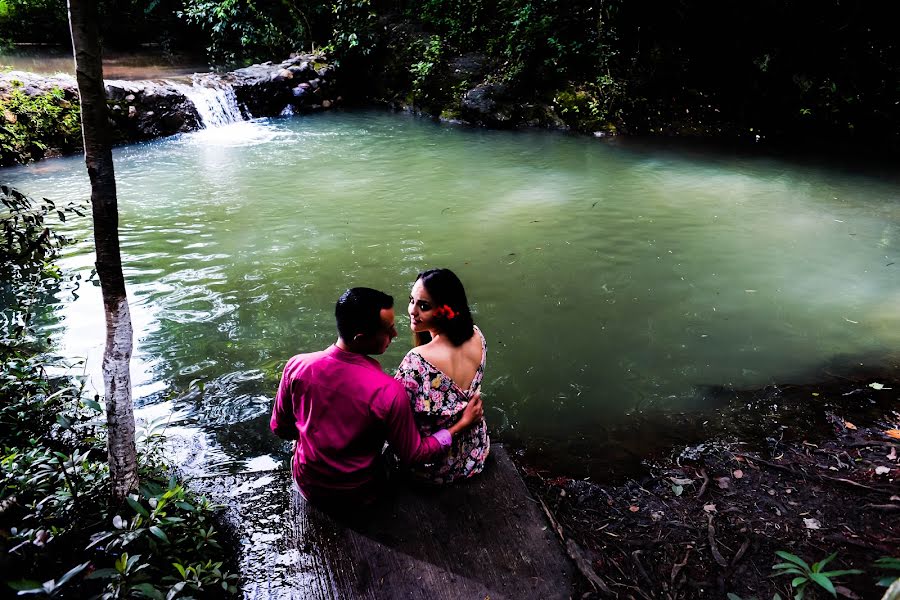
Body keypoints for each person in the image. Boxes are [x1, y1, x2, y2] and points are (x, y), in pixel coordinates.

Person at [270, 287, 484, 510]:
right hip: (362, 494)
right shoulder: (388, 391)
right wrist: (462, 424)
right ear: (361, 338)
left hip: (308, 486)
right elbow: (415, 454)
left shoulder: (297, 367)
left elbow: (280, 428)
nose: (395, 335)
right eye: (388, 330)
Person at [395, 268, 490, 484]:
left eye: (424, 306)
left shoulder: (416, 361)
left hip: (433, 468)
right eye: (412, 300)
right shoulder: (477, 335)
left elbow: (396, 420)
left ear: (447, 311)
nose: (412, 310)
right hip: (475, 452)